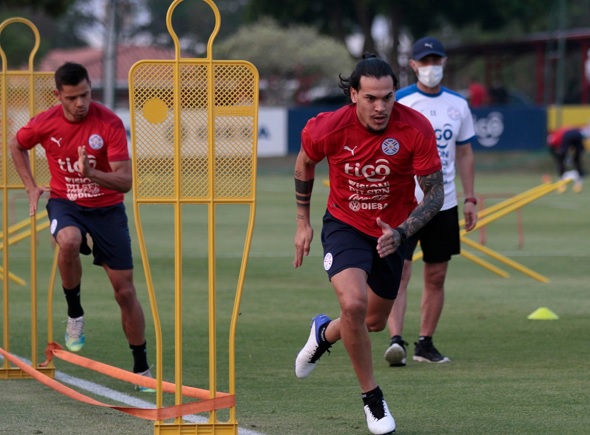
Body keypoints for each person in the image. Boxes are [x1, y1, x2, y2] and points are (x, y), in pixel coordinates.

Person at [293, 53, 444, 435]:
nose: (381, 107)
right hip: (345, 225)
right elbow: (305, 162)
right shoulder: (328, 127)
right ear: (354, 95)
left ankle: (324, 333)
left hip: (392, 233)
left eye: (388, 97)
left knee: (373, 322)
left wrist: (402, 233)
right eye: (371, 98)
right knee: (354, 304)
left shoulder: (416, 128)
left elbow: (434, 194)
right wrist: (302, 222)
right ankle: (373, 400)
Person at [9, 62, 154, 392]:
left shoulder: (109, 123)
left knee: (125, 291)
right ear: (58, 95)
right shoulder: (44, 123)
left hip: (107, 210)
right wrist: (30, 185)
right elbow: (16, 144)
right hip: (66, 203)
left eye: (85, 95)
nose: (80, 103)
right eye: (72, 97)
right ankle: (75, 313)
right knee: (69, 241)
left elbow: (125, 181)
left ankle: (141, 369)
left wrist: (92, 174)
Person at [384, 37, 477, 367]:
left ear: (444, 62)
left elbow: (464, 153)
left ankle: (425, 343)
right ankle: (396, 341)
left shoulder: (458, 104)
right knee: (400, 271)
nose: (430, 67)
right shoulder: (400, 101)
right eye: (424, 61)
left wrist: (470, 198)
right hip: (405, 202)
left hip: (445, 202)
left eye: (435, 60)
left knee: (436, 274)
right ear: (413, 65)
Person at [547, 126, 585, 192]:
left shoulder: (553, 138)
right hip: (578, 134)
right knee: (577, 157)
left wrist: (559, 158)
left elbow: (553, 149)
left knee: (561, 159)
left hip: (568, 136)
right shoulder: (561, 132)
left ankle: (561, 180)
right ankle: (579, 180)